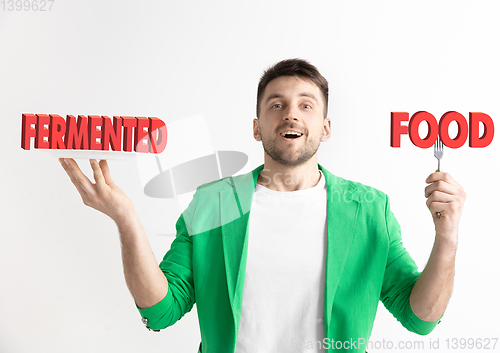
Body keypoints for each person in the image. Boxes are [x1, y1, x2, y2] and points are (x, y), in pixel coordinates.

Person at [59, 59, 466, 353]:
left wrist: (447, 237)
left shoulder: (367, 208)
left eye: (307, 104)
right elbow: (162, 310)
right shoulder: (216, 201)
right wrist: (126, 219)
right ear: (257, 127)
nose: (291, 113)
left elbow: (420, 318)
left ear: (325, 128)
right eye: (276, 104)